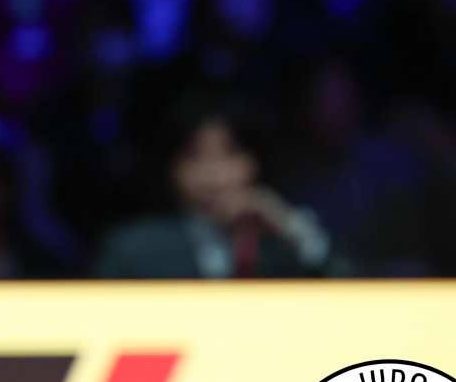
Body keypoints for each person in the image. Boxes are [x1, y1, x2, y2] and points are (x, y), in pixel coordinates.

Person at [95, 92, 338, 278]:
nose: (214, 175)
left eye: (229, 153)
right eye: (194, 156)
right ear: (171, 169)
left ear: (255, 161)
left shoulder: (287, 244)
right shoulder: (133, 251)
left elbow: (350, 296)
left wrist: (290, 227)